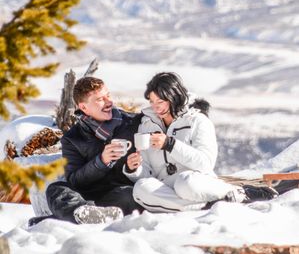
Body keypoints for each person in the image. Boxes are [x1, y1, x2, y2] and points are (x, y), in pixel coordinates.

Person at [124, 72, 277, 212]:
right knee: (140, 188)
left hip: (196, 183)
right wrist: (134, 169)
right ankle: (207, 207)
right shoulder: (146, 125)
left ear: (175, 97)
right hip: (166, 186)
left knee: (185, 183)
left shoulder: (198, 121)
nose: (156, 107)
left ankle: (238, 192)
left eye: (161, 101)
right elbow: (147, 173)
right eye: (152, 101)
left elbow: (205, 163)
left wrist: (170, 144)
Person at [42, 76, 142, 225]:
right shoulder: (72, 138)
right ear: (83, 107)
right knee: (56, 189)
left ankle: (74, 217)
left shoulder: (132, 123)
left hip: (119, 193)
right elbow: (75, 181)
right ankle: (85, 214)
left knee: (128, 194)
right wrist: (101, 162)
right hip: (87, 195)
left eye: (108, 95)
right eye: (100, 99)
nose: (109, 102)